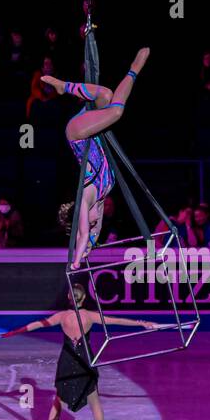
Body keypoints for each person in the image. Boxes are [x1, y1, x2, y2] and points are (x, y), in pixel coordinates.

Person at [1, 283, 159, 420]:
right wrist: (141, 323)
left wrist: (16, 331)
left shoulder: (61, 316)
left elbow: (38, 324)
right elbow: (117, 320)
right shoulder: (90, 316)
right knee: (94, 401)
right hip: (85, 360)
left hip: (67, 362)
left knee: (58, 402)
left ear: (69, 297)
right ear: (84, 298)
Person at [40, 46, 150, 268]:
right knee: (106, 95)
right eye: (94, 229)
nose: (94, 227)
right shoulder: (102, 197)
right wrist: (91, 243)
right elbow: (91, 233)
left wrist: (77, 259)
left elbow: (82, 234)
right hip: (92, 130)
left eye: (91, 227)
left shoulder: (87, 197)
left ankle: (133, 70)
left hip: (78, 135)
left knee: (117, 111)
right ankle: (67, 87)